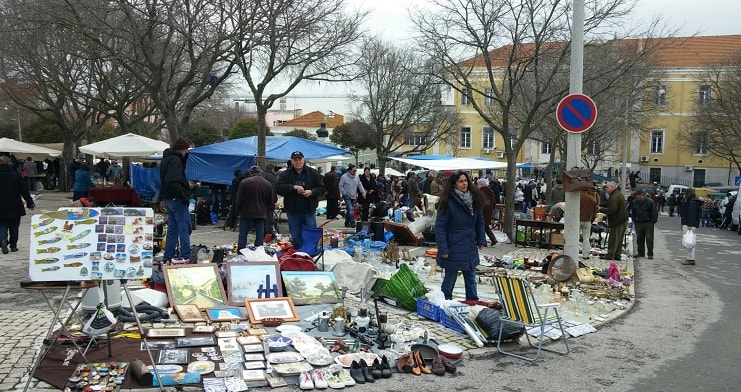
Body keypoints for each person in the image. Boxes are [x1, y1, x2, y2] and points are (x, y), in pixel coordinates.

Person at [435, 171, 486, 301]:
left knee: (471, 278)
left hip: (469, 245)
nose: (464, 184)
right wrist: (443, 248)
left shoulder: (474, 199)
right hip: (453, 247)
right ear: (454, 184)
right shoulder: (448, 201)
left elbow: (480, 221)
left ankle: (473, 302)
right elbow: (440, 227)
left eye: (465, 181)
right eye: (461, 181)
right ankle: (445, 303)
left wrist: (481, 239)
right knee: (449, 280)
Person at [275, 151, 326, 249]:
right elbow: (278, 188)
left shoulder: (313, 173)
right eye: (295, 160)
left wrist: (311, 192)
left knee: (311, 234)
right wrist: (293, 187)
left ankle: (310, 254)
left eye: (300, 159)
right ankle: (299, 255)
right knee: (296, 235)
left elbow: (322, 188)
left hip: (309, 210)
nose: (298, 162)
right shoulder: (285, 174)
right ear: (292, 161)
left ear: (303, 160)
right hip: (293, 211)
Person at [160, 136, 192, 263]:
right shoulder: (175, 160)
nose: (187, 152)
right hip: (176, 197)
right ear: (182, 150)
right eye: (186, 150)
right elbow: (173, 180)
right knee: (185, 227)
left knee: (173, 228)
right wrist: (183, 194)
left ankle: (168, 256)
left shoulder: (166, 159)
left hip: (168, 197)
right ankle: (186, 255)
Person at [0, 155, 35, 254]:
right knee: (14, 226)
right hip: (15, 204)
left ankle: (3, 240)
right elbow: (24, 190)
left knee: (2, 225)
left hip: (1, 205)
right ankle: (13, 246)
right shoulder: (16, 175)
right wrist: (30, 202)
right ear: (10, 163)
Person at [235, 165, 274, 249]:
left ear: (250, 173)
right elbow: (270, 201)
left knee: (243, 234)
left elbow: (239, 199)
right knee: (260, 234)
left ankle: (241, 251)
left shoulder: (244, 182)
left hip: (246, 213)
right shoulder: (267, 184)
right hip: (261, 213)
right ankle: (258, 251)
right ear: (260, 172)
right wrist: (266, 210)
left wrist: (238, 211)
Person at [599, 181, 628, 261]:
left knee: (613, 239)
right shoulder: (618, 194)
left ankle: (610, 254)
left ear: (612, 187)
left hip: (617, 220)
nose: (605, 189)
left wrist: (601, 209)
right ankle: (617, 255)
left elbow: (612, 209)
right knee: (619, 239)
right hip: (622, 219)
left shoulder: (614, 196)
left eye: (607, 187)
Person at [630, 189, 658, 259]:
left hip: (648, 223)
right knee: (639, 239)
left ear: (641, 195)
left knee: (649, 239)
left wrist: (652, 222)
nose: (635, 197)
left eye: (636, 196)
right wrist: (635, 221)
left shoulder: (649, 202)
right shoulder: (634, 202)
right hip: (639, 222)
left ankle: (650, 254)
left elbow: (654, 212)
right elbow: (633, 213)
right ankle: (640, 252)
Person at [338, 164, 365, 229]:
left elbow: (359, 184)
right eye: (354, 171)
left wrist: (363, 192)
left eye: (356, 171)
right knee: (350, 209)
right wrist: (344, 193)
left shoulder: (356, 177)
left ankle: (347, 223)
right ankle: (352, 222)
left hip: (353, 195)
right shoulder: (344, 177)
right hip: (346, 195)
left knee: (349, 210)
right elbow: (340, 185)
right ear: (349, 170)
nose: (355, 172)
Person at [679, 188, 702, 265]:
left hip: (689, 224)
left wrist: (689, 224)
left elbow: (691, 214)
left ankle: (690, 258)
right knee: (690, 241)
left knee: (689, 242)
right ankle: (690, 258)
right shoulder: (694, 202)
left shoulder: (691, 202)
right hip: (691, 223)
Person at [477, 178, 498, 246]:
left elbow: (480, 202)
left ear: (481, 184)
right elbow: (494, 202)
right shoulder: (490, 191)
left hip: (483, 211)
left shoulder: (481, 191)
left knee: (482, 226)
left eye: (478, 184)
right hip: (489, 211)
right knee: (485, 226)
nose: (477, 186)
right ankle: (492, 239)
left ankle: (484, 242)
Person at [579, 188, 599, 259]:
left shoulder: (577, 197)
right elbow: (595, 212)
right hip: (587, 221)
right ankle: (585, 255)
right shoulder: (592, 199)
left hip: (577, 220)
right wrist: (591, 220)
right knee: (586, 238)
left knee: (575, 238)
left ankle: (574, 253)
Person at [262, 163, 279, 235]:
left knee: (262, 219)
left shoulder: (261, 175)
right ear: (273, 169)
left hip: (260, 201)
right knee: (269, 219)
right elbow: (274, 190)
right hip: (269, 201)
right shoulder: (272, 177)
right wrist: (275, 201)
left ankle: (262, 234)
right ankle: (269, 235)